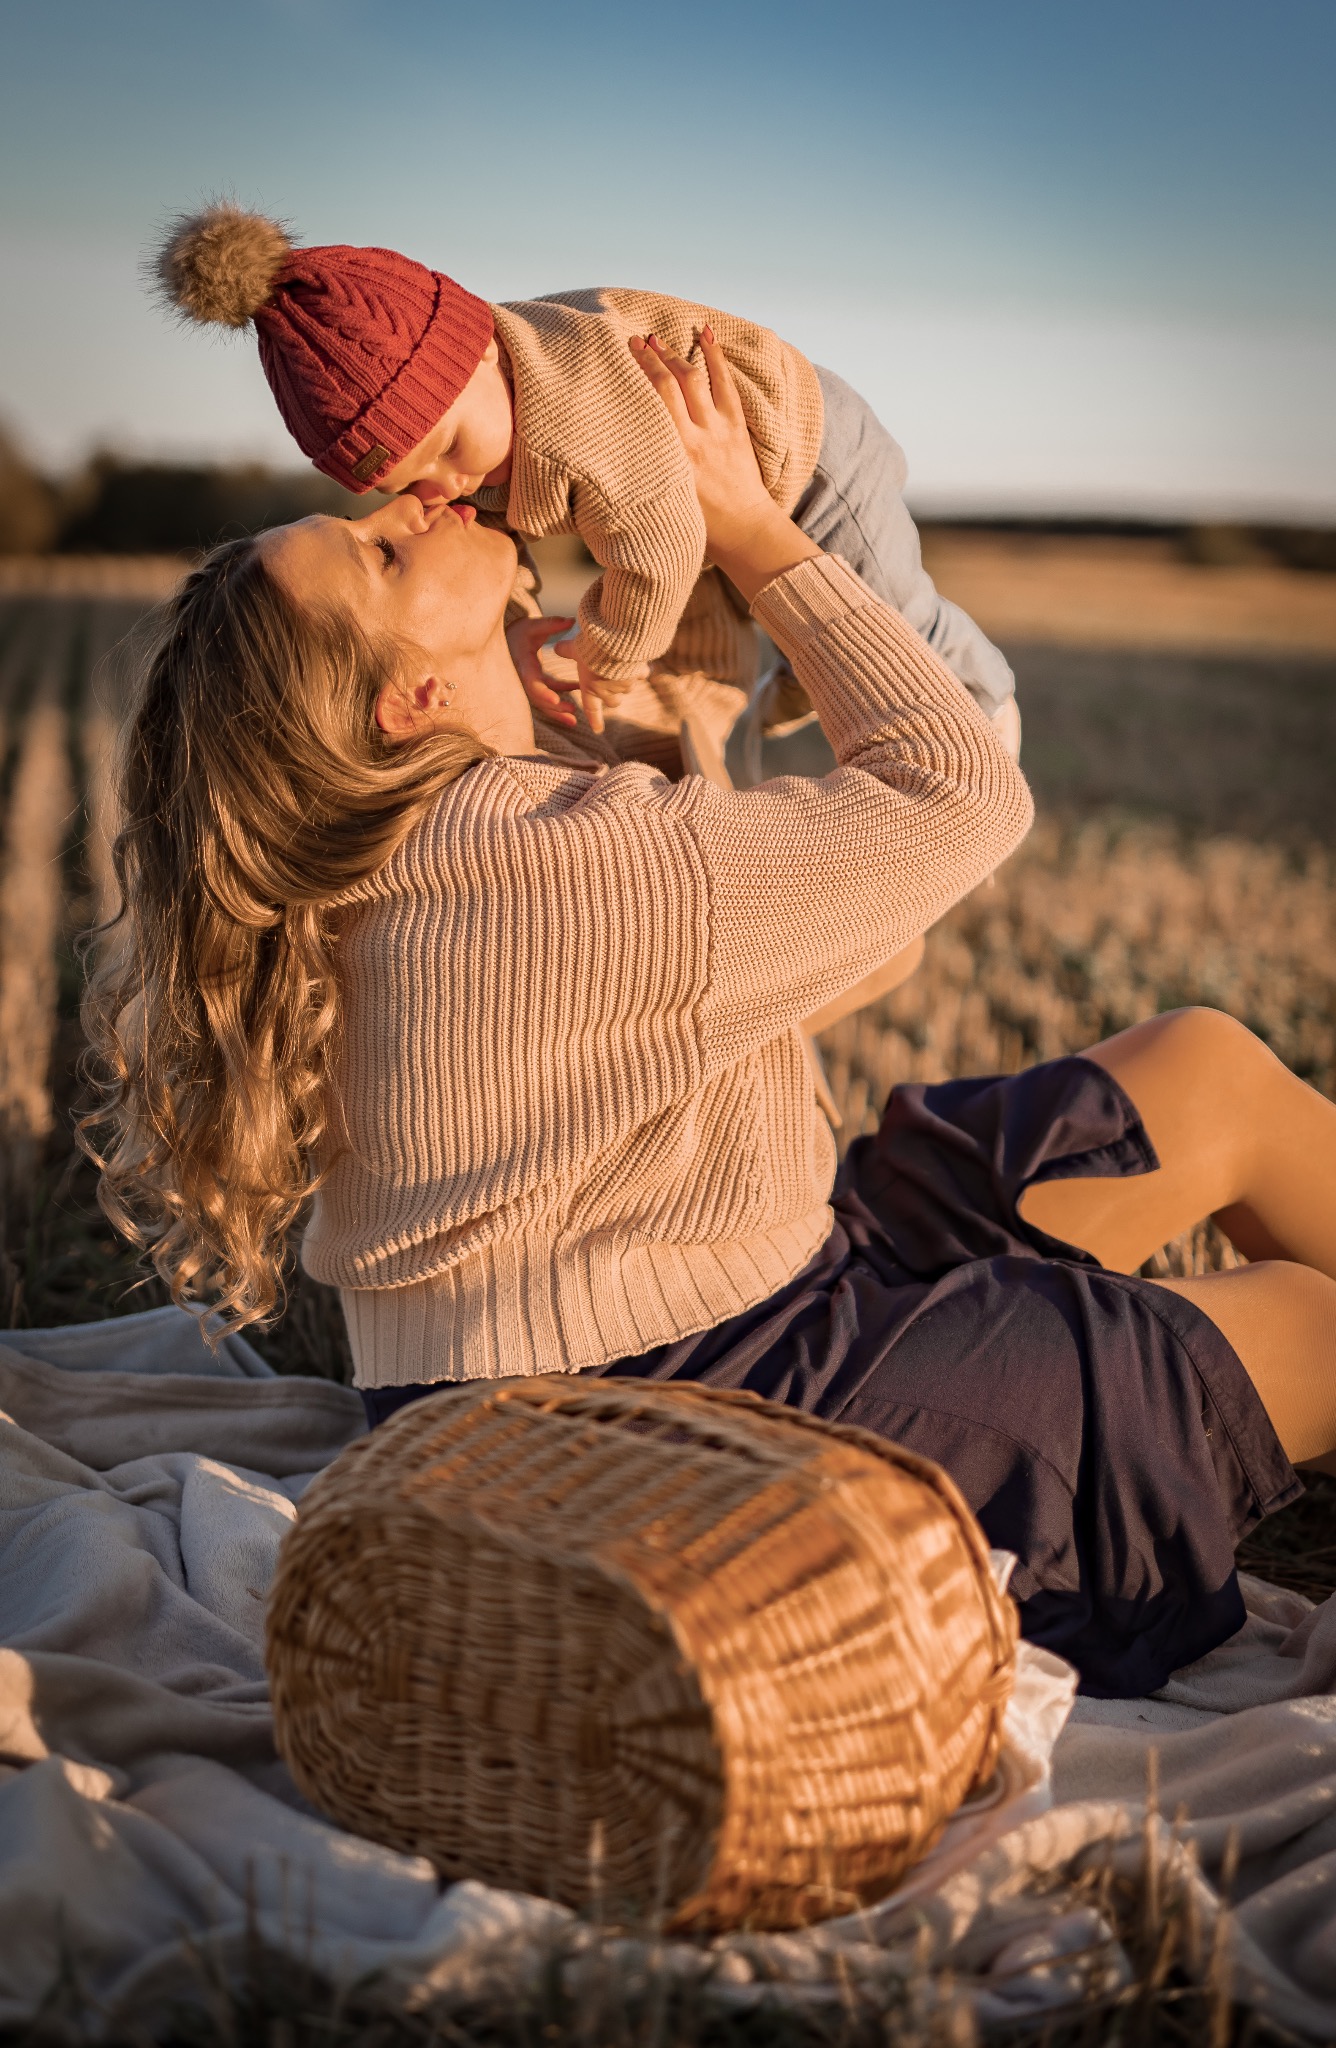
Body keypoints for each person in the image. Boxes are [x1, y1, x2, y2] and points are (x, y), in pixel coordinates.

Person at [84, 332, 1336, 1702]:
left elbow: (833, 956)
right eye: (381, 553)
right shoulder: (549, 863)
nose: (412, 496)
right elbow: (963, 794)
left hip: (654, 1339)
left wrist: (629, 680)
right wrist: (750, 532)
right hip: (696, 1443)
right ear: (413, 698)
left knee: (1203, 1069)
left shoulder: (427, 854)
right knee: (1311, 1324)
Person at [153, 204, 1018, 747]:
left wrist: (609, 654)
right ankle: (793, 682)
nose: (451, 486)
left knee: (886, 614)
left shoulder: (573, 419)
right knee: (737, 645)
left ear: (481, 348)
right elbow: (494, 545)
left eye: (451, 448)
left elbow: (661, 547)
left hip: (813, 452)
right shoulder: (486, 424)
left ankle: (981, 706)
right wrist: (516, 617)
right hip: (703, 490)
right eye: (415, 483)